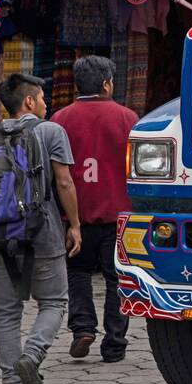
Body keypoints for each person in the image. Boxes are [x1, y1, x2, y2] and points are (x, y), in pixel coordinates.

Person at [0, 73, 81, 384]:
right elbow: (64, 183)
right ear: (29, 101)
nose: (46, 104)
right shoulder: (51, 131)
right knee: (53, 301)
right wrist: (75, 225)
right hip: (42, 231)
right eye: (42, 98)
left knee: (7, 311)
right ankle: (31, 357)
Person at [51, 55, 138, 363]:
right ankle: (115, 344)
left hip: (76, 216)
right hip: (118, 218)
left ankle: (82, 328)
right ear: (105, 84)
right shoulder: (127, 118)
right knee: (117, 280)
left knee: (76, 272)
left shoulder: (60, 119)